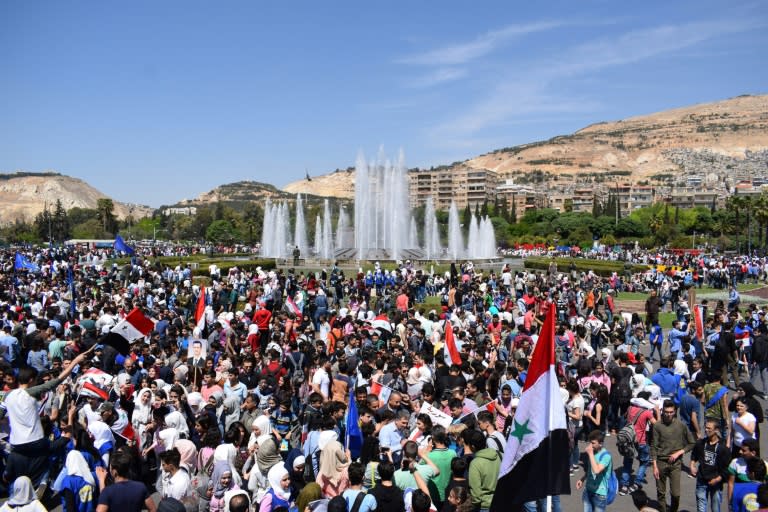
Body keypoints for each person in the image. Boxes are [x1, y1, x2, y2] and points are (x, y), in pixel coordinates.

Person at [1, 347, 93, 486]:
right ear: (31, 380)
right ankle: (42, 482)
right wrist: (75, 361)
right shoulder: (30, 392)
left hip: (17, 444)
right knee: (45, 463)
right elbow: (57, 380)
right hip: (36, 442)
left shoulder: (6, 396)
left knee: (21, 471)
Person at [650, 400, 696, 512]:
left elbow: (692, 442)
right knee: (661, 492)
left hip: (676, 463)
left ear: (675, 411)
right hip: (661, 461)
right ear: (663, 411)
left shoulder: (681, 425)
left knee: (676, 494)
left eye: (671, 412)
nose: (668, 414)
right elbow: (654, 446)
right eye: (666, 412)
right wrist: (654, 465)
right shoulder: (657, 426)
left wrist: (679, 452)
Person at [690, 420, 731, 512]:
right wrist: (692, 465)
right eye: (706, 427)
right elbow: (694, 455)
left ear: (716, 430)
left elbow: (727, 468)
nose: (706, 430)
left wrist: (717, 479)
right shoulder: (701, 443)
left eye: (709, 428)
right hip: (702, 479)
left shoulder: (723, 448)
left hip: (716, 482)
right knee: (701, 506)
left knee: (715, 507)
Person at [576, 430, 612, 512]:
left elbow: (596, 470)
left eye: (593, 443)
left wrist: (590, 454)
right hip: (588, 490)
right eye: (590, 442)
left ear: (601, 443)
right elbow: (590, 469)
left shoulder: (606, 456)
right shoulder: (593, 453)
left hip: (600, 494)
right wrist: (582, 479)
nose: (590, 445)